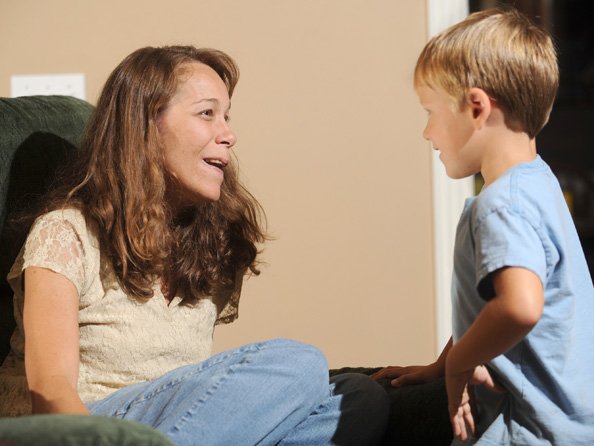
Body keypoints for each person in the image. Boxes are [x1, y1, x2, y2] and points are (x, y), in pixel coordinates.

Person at [0, 45, 389, 445]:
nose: (228, 134)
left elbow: (197, 399)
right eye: (207, 113)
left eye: (226, 116)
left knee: (358, 398)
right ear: (145, 126)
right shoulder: (65, 233)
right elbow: (50, 391)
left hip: (176, 427)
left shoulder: (210, 242)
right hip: (89, 426)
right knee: (301, 363)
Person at [372, 8, 594, 445]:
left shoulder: (500, 206)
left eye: (431, 111)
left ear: (476, 107)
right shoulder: (539, 181)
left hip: (525, 432)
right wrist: (443, 363)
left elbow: (518, 307)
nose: (426, 132)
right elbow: (490, 306)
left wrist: (459, 367)